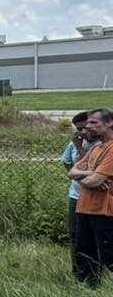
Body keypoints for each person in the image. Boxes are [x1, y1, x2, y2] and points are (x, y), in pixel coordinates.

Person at [69, 107, 113, 286]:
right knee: (83, 251)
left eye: (94, 122)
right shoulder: (96, 148)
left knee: (108, 252)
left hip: (104, 211)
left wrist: (87, 176)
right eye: (88, 123)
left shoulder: (111, 149)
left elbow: (95, 181)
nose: (89, 127)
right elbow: (72, 171)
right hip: (84, 207)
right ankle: (87, 287)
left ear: (109, 122)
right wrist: (90, 175)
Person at [62, 112, 91, 272]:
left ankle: (96, 271)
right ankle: (78, 271)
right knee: (75, 235)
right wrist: (75, 177)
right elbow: (67, 162)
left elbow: (88, 167)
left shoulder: (100, 144)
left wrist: (78, 171)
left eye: (85, 128)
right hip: (76, 196)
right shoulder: (74, 144)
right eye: (78, 129)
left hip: (95, 197)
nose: (82, 132)